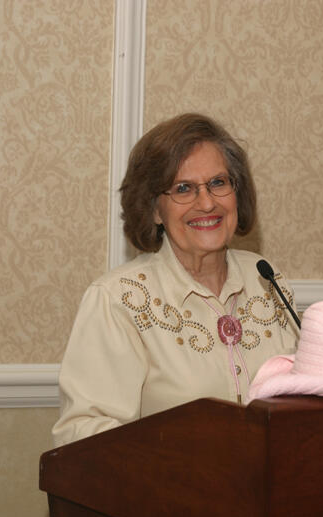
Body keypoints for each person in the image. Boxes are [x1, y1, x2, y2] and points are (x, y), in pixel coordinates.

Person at [52, 113, 299, 446]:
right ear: (155, 209)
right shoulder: (118, 300)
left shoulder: (268, 281)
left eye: (218, 183)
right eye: (184, 188)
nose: (207, 202)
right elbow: (81, 436)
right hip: (169, 495)